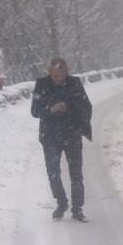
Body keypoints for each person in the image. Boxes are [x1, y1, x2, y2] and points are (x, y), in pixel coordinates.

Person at [31, 57, 93, 222]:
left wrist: (80, 123)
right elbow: (35, 111)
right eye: (54, 75)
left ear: (67, 71)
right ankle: (61, 202)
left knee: (76, 174)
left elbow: (86, 106)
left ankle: (77, 209)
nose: (58, 78)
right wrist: (51, 109)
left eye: (61, 74)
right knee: (53, 173)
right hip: (50, 136)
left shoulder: (74, 84)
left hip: (72, 135)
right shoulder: (41, 85)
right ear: (49, 72)